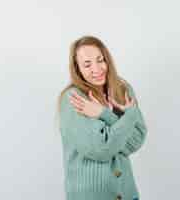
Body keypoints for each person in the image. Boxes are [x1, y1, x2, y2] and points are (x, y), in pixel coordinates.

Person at [56, 35, 147, 200]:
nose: (97, 69)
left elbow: (136, 141)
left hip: (127, 193)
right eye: (87, 64)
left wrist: (103, 114)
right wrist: (128, 116)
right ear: (78, 69)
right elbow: (101, 150)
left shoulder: (122, 89)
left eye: (100, 60)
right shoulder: (73, 99)